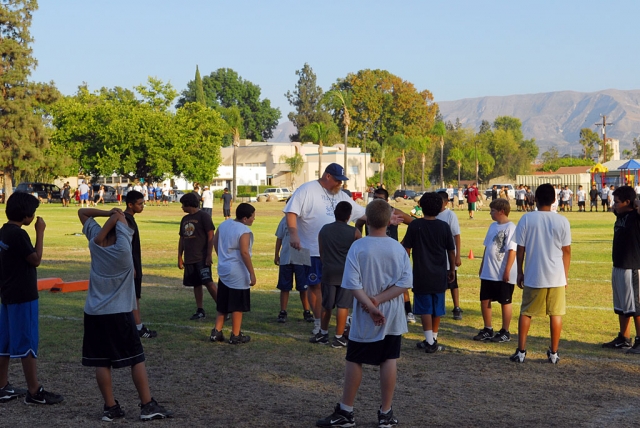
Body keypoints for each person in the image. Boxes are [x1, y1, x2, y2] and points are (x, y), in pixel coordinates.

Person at [315, 199, 412, 428]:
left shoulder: (358, 247)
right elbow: (405, 283)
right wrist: (378, 301)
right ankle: (385, 413)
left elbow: (352, 283)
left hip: (365, 312)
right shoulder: (397, 248)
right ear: (389, 221)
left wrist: (370, 305)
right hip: (391, 313)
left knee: (355, 358)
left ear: (367, 219)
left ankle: (346, 412)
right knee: (389, 358)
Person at [78, 208, 173, 421]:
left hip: (94, 313)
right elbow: (122, 224)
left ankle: (110, 407)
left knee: (102, 362)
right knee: (136, 359)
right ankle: (147, 405)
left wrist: (109, 213)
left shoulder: (95, 242)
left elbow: (82, 212)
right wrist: (118, 216)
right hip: (119, 313)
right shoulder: (122, 249)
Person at [284, 163, 367, 336]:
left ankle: (332, 322)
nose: (340, 184)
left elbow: (362, 213)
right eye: (338, 180)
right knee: (314, 286)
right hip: (307, 248)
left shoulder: (341, 195)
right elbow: (291, 212)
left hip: (332, 253)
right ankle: (317, 321)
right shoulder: (306, 189)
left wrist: (384, 218)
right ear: (327, 176)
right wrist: (293, 235)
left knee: (333, 288)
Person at [0, 193, 63, 405]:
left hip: (8, 294)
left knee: (5, 343)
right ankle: (34, 391)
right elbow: (35, 260)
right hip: (23, 295)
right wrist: (40, 232)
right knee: (27, 342)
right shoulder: (19, 235)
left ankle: (2, 386)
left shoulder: (4, 232)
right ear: (26, 215)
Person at [510, 183, 571, 364]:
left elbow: (520, 249)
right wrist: (565, 275)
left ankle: (521, 351)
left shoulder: (527, 219)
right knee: (556, 313)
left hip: (534, 274)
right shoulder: (562, 221)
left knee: (526, 312)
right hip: (556, 276)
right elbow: (566, 251)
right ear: (554, 200)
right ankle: (554, 353)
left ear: (535, 199)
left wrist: (519, 272)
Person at [403, 193, 455, 353]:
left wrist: (404, 268)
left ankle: (429, 340)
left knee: (425, 307)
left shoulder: (415, 225)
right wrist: (452, 269)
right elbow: (451, 250)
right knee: (437, 306)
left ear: (421, 207)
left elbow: (407, 248)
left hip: (421, 273)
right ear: (440, 208)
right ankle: (433, 337)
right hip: (440, 272)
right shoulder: (444, 226)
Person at [359, 188, 416, 324]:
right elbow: (359, 223)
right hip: (372, 250)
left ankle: (408, 311)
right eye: (375, 198)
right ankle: (370, 305)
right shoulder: (369, 211)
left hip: (391, 250)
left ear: (386, 200)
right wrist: (359, 238)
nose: (378, 201)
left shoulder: (394, 211)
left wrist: (405, 242)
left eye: (381, 199)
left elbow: (414, 223)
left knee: (398, 281)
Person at [313, 201, 362, 348]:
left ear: (335, 213)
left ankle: (323, 333)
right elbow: (359, 254)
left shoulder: (324, 230)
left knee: (326, 305)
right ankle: (339, 337)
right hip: (346, 273)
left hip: (328, 272)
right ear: (349, 216)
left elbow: (321, 252)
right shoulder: (354, 232)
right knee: (343, 306)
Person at [210, 203, 256, 344]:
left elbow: (215, 241)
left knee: (223, 301)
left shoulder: (225, 224)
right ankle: (236, 334)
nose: (254, 219)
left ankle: (216, 332)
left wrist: (222, 257)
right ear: (244, 218)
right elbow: (244, 252)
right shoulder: (244, 231)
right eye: (252, 216)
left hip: (224, 268)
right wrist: (252, 273)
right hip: (237, 271)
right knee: (237, 304)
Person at [602, 186, 640, 352]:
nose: (614, 204)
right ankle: (624, 338)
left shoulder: (636, 216)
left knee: (637, 307)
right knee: (622, 306)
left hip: (632, 266)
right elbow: (616, 210)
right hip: (618, 265)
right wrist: (618, 207)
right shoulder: (621, 215)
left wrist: (636, 201)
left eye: (617, 202)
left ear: (628, 202)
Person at [473, 198, 517, 343]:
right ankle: (488, 328)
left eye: (492, 211)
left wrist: (507, 270)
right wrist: (482, 265)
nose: (490, 213)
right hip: (489, 271)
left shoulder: (511, 228)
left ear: (501, 211)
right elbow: (487, 247)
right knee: (485, 299)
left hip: (502, 271)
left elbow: (512, 250)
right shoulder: (493, 226)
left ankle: (505, 331)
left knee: (505, 301)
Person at [177, 193, 218, 320]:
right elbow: (182, 238)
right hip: (190, 257)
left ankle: (223, 307)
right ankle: (200, 310)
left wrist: (209, 255)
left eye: (183, 205)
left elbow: (211, 235)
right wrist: (180, 256)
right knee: (196, 283)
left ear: (189, 204)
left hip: (201, 256)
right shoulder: (184, 219)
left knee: (208, 282)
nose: (182, 207)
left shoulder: (204, 216)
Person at [124, 191, 157, 339]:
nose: (142, 206)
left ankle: (132, 326)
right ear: (130, 205)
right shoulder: (126, 220)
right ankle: (138, 328)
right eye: (139, 203)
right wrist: (132, 265)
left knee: (132, 296)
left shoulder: (128, 218)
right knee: (134, 296)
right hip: (131, 264)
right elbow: (125, 246)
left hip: (133, 263)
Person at [274, 215, 312, 323]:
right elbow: (279, 238)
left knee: (303, 287)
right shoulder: (283, 220)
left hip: (301, 256)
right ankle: (283, 311)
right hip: (286, 256)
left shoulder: (304, 220)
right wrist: (276, 254)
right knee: (284, 286)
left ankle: (307, 311)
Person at [436, 191, 463, 320]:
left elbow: (456, 235)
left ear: (446, 202)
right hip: (437, 256)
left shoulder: (450, 215)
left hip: (449, 256)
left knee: (453, 283)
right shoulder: (432, 214)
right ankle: (438, 307)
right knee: (439, 284)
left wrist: (457, 255)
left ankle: (456, 307)